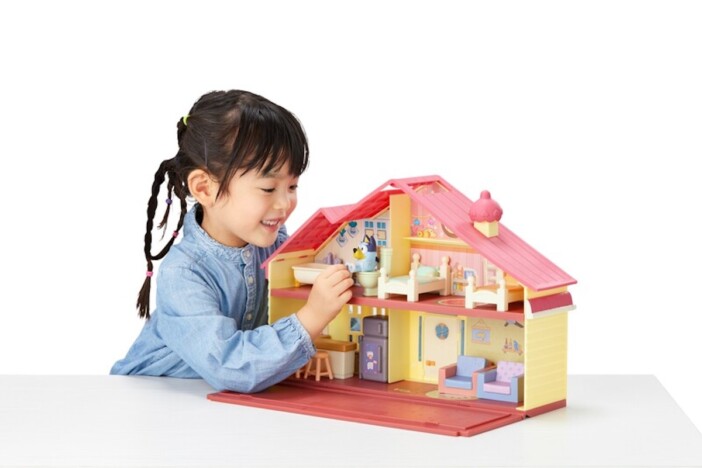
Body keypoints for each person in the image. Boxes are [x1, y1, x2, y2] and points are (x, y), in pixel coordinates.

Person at [111, 90, 354, 393]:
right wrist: (312, 316)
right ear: (204, 188)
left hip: (210, 402)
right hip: (146, 397)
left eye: (292, 186)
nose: (285, 203)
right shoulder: (183, 274)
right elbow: (229, 366)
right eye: (268, 188)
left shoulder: (274, 245)